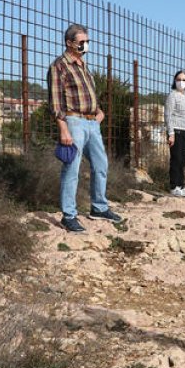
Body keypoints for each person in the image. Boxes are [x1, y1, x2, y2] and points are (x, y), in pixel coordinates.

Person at [49, 23, 123, 232]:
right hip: (73, 122)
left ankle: (99, 208)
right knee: (72, 168)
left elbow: (87, 93)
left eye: (87, 42)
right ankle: (69, 215)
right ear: (69, 43)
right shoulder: (59, 66)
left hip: (92, 122)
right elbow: (55, 102)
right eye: (81, 42)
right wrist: (63, 129)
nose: (85, 45)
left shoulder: (83, 65)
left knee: (101, 164)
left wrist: (99, 112)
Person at [165, 70, 185, 198]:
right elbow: (168, 115)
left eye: (184, 80)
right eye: (178, 79)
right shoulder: (172, 95)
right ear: (174, 81)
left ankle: (181, 186)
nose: (181, 82)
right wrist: (171, 133)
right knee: (176, 159)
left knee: (182, 160)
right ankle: (174, 186)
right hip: (176, 130)